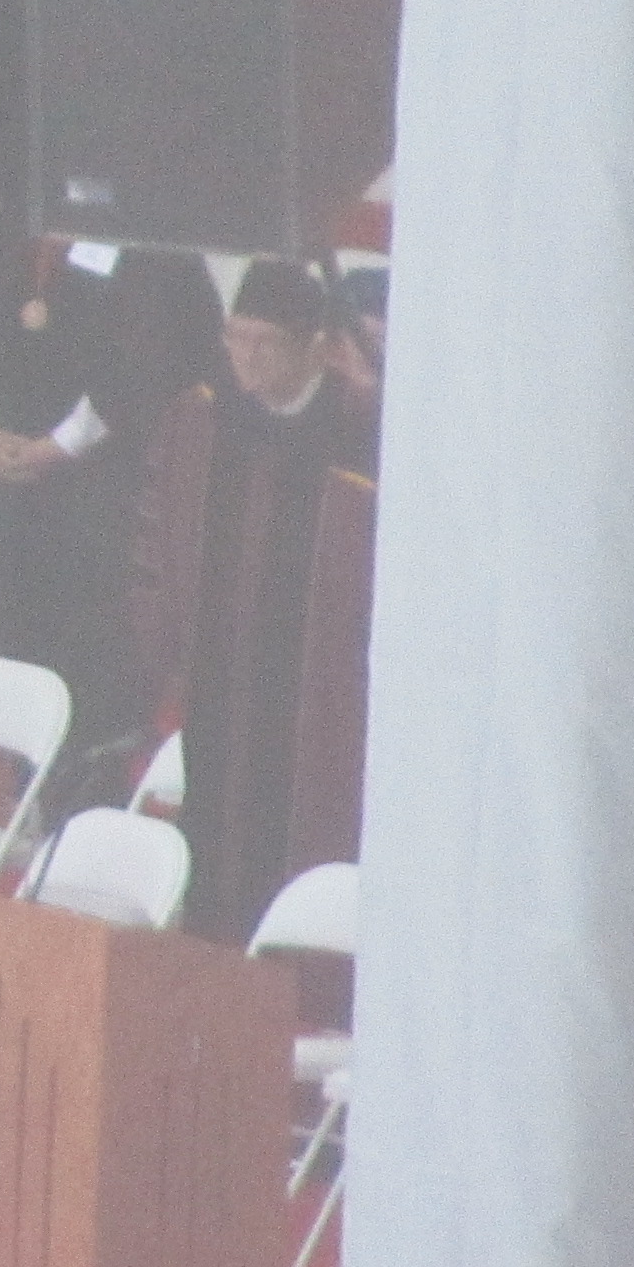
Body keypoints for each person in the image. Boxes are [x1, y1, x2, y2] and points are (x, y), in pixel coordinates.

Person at [176, 258, 380, 941]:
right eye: (235, 337)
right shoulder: (205, 418)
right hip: (219, 675)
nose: (244, 357)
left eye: (264, 341)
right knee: (210, 825)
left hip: (316, 690)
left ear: (315, 347)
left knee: (298, 831)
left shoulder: (363, 432)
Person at [0, 235, 222, 756]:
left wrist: (59, 445)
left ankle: (84, 802)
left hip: (99, 492)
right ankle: (22, 790)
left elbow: (168, 348)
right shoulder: (20, 221)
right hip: (12, 485)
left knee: (88, 668)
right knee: (13, 651)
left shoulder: (144, 236)